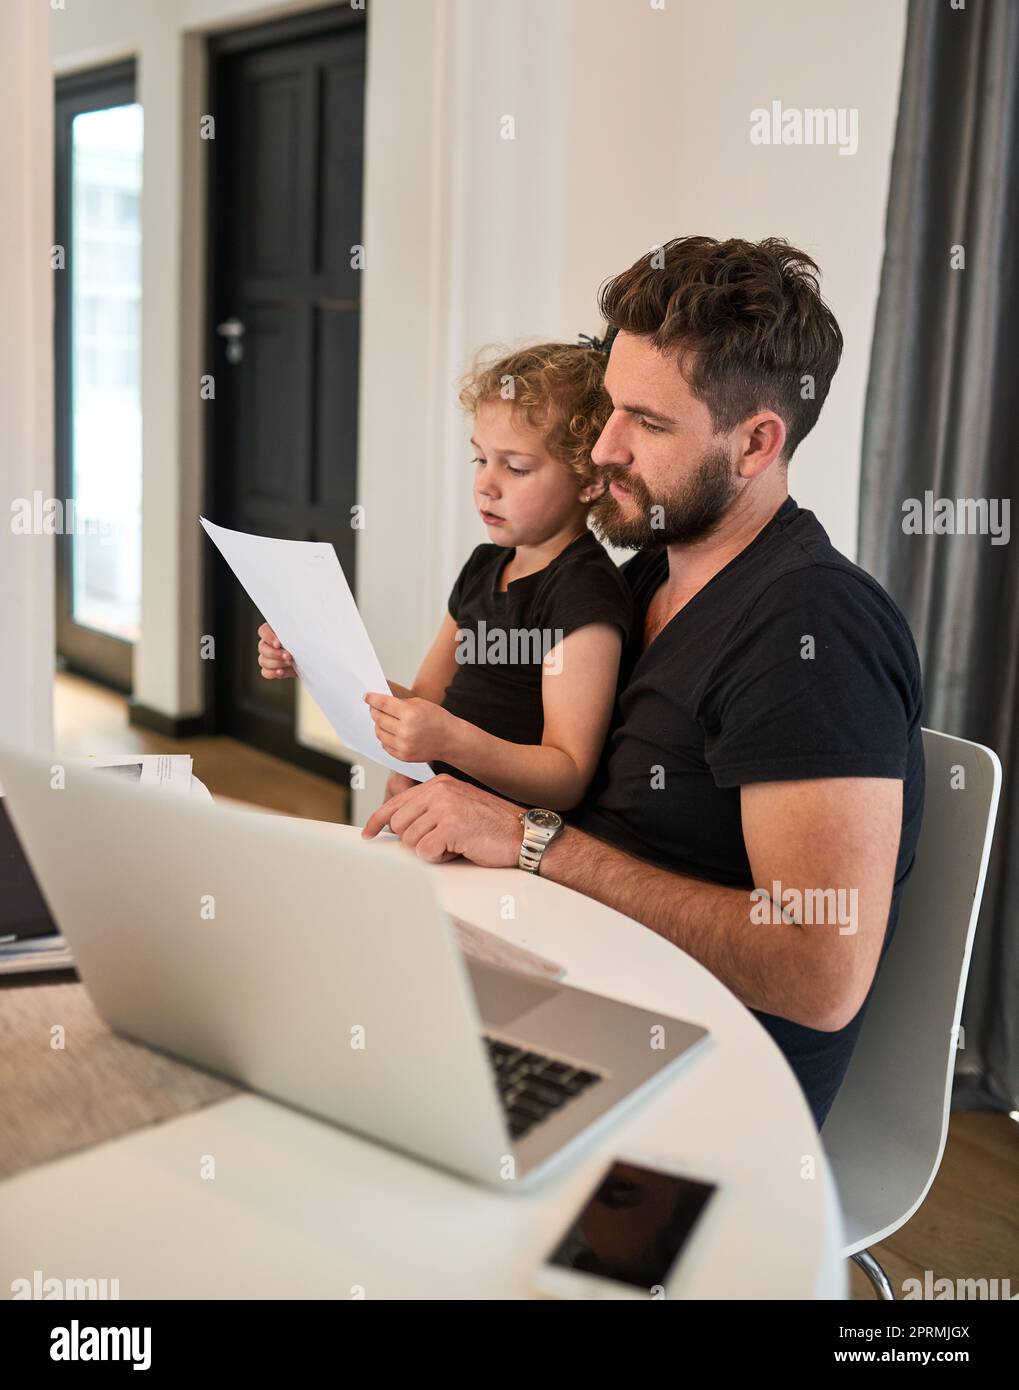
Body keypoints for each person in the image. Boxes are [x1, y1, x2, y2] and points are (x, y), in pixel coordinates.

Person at [362, 235, 926, 1132]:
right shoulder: (639, 580)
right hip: (564, 984)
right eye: (610, 409)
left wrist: (533, 841)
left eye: (647, 424)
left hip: (702, 1080)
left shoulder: (811, 631)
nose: (604, 449)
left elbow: (817, 972)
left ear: (755, 443)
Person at [257, 341, 632, 810]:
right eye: (480, 459)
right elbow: (422, 701)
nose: (485, 484)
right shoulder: (483, 567)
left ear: (591, 479)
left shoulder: (583, 593)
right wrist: (310, 658)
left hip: (505, 843)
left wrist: (449, 741)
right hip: (435, 815)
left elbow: (567, 776)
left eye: (515, 468)